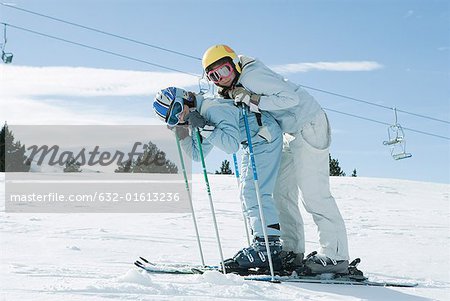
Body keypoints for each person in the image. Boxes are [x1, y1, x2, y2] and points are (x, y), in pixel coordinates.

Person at [202, 44, 350, 274]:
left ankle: (336, 255)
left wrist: (253, 99)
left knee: (313, 194)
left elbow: (288, 98)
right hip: (291, 132)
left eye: (223, 70)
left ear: (234, 63)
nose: (220, 79)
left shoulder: (251, 75)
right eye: (213, 76)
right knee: (281, 193)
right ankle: (292, 251)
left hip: (309, 125)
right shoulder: (238, 84)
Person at [152, 86, 284, 272]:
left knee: (254, 192)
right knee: (247, 194)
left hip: (265, 137)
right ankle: (262, 245)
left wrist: (204, 126)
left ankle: (268, 249)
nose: (180, 117)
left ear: (186, 97)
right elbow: (198, 154)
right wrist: (183, 135)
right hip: (254, 142)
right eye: (173, 119)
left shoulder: (213, 108)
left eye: (177, 109)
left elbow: (230, 146)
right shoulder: (199, 116)